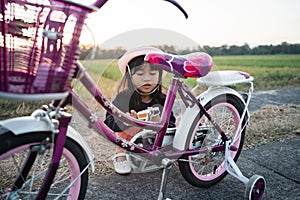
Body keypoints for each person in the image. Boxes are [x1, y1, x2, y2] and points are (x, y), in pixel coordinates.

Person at [104, 46, 176, 174]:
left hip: (153, 143)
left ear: (159, 76)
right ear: (130, 75)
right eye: (140, 74)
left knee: (166, 134)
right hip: (129, 142)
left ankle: (153, 154)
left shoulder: (163, 100)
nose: (147, 79)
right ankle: (121, 156)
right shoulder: (123, 98)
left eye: (153, 74)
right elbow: (108, 121)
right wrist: (124, 120)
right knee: (127, 126)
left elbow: (172, 124)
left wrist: (160, 122)